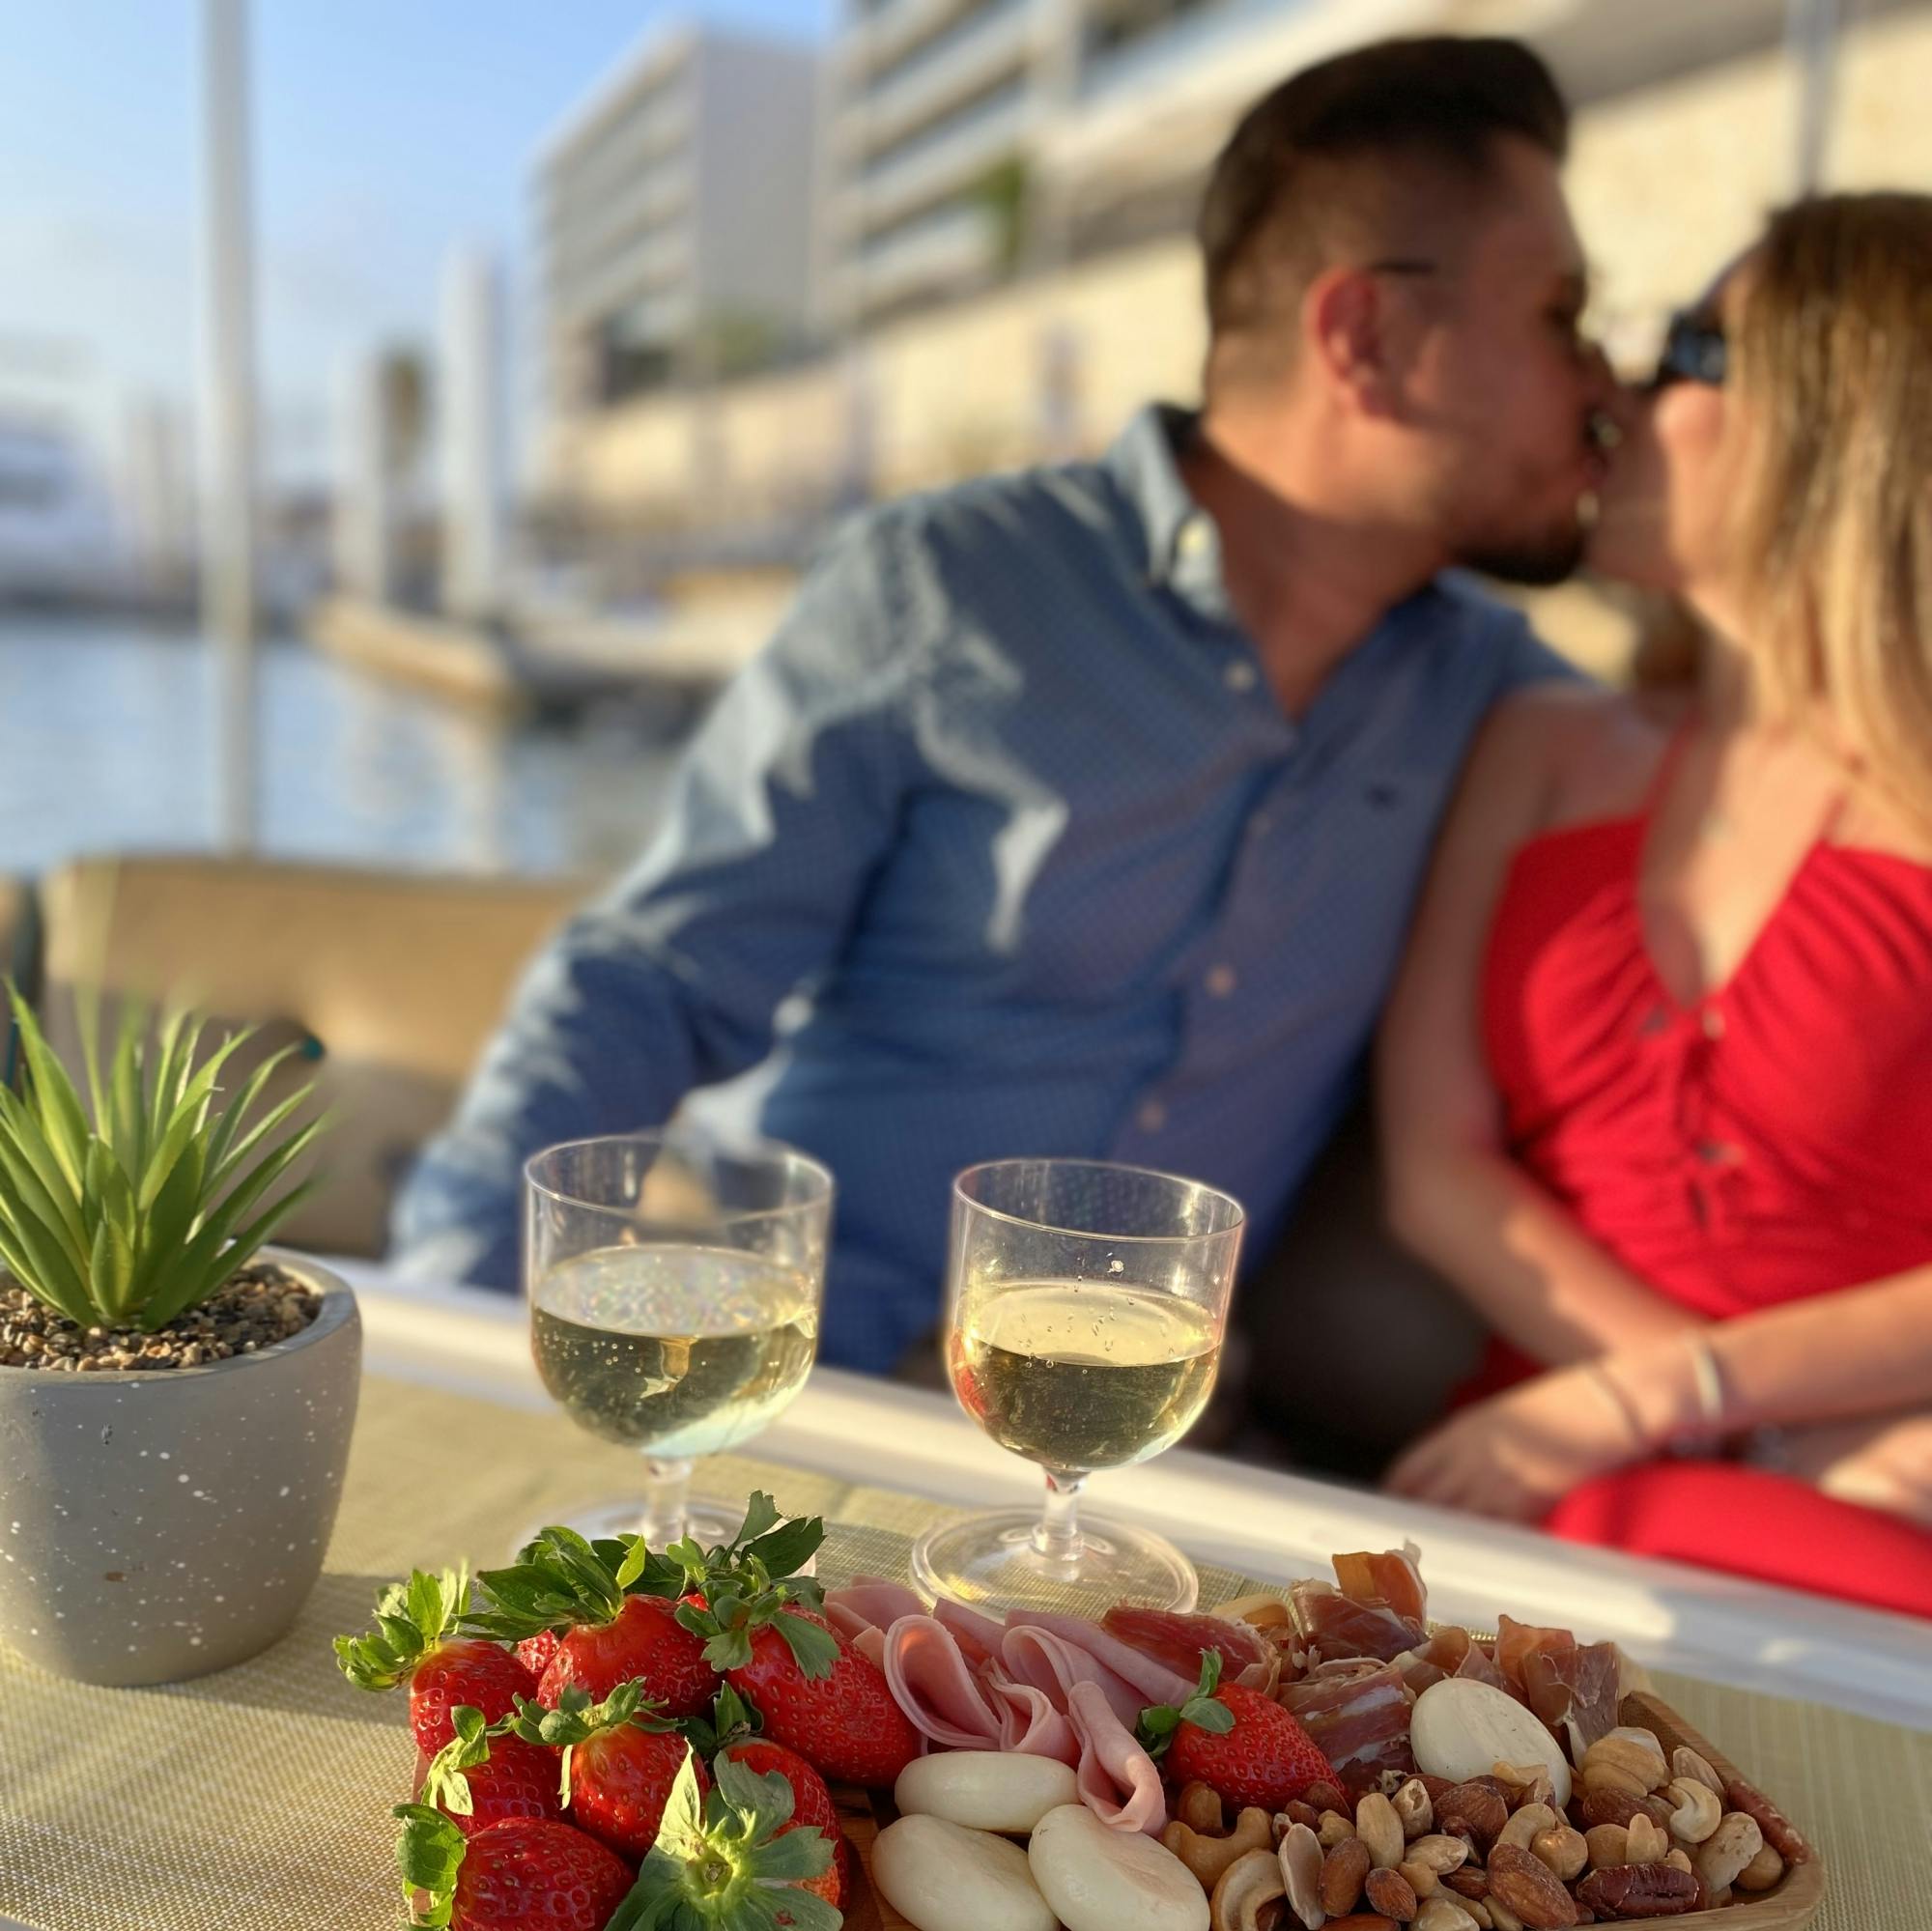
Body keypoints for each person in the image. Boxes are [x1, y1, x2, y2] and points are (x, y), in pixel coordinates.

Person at [393, 36, 1608, 1372]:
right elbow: (661, 978)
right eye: (1560, 317)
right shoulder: (947, 590)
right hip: (808, 1367)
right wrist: (451, 1326)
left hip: (1126, 1438)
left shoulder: (1502, 703)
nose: (1606, 384)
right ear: (1367, 339)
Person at [1379, 194, 1932, 1621]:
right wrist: (1677, 1406)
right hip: (1553, 1450)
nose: (1617, 391)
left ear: (1849, 416)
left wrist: (1687, 1404)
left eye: (1693, 351)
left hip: (1868, 1469)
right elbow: (1436, 1167)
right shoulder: (1541, 747)